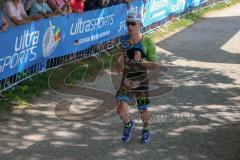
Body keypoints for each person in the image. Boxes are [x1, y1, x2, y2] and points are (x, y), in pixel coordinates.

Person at [115, 11, 157, 144]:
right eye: (127, 24)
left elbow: (154, 66)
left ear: (139, 24)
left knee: (142, 109)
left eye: (132, 24)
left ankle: (146, 129)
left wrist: (140, 61)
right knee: (121, 109)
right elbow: (121, 55)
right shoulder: (124, 39)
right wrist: (119, 63)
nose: (129, 27)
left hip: (141, 81)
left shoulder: (148, 42)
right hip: (127, 80)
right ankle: (128, 125)